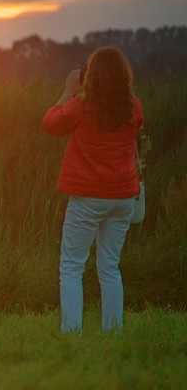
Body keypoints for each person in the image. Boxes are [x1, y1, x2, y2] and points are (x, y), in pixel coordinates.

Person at [42, 47, 144, 333]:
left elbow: (51, 124)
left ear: (91, 75)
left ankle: (72, 332)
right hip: (123, 196)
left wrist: (68, 91)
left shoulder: (82, 105)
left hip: (88, 196)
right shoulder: (133, 106)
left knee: (72, 266)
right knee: (110, 266)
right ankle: (113, 331)